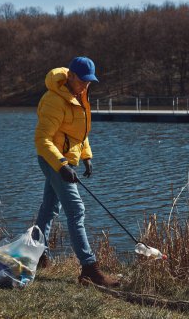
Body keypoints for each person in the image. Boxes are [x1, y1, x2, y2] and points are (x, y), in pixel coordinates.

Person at [34, 56, 120, 287]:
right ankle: (89, 269)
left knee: (50, 208)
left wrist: (86, 156)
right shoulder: (54, 100)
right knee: (76, 211)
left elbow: (79, 132)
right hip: (53, 160)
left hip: (65, 160)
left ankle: (36, 253)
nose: (86, 85)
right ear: (70, 76)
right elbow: (42, 140)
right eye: (82, 81)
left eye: (89, 82)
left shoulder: (78, 95)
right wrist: (61, 165)